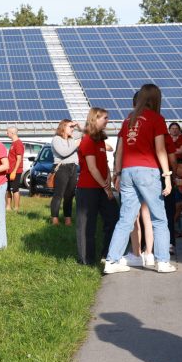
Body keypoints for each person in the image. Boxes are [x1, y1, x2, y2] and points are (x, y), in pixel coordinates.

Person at [103, 84, 176, 274]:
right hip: (148, 171)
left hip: (127, 171)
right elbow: (161, 150)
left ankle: (111, 261)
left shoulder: (128, 119)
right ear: (155, 99)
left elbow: (119, 150)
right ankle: (162, 262)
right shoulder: (156, 118)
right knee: (159, 218)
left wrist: (117, 174)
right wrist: (167, 176)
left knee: (125, 219)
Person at [75, 108, 119, 265]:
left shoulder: (100, 141)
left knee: (113, 218)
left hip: (101, 187)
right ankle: (86, 260)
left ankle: (106, 254)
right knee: (87, 225)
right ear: (95, 119)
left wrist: (108, 185)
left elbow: (104, 165)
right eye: (105, 118)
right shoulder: (87, 140)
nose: (108, 121)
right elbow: (92, 168)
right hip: (88, 189)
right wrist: (106, 188)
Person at [50, 119, 80, 226]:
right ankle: (54, 218)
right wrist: (76, 144)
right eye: (70, 127)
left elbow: (85, 133)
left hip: (73, 167)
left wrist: (77, 125)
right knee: (59, 194)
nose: (72, 129)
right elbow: (63, 153)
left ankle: (68, 218)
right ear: (63, 127)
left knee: (70, 195)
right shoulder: (56, 139)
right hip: (62, 168)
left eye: (73, 127)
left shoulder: (72, 139)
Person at [5, 127, 25, 211]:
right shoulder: (13, 143)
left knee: (15, 189)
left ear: (12, 133)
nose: (6, 133)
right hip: (9, 170)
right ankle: (8, 207)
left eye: (7, 132)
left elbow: (19, 158)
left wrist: (14, 171)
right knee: (8, 188)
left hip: (15, 171)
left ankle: (16, 208)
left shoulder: (18, 143)